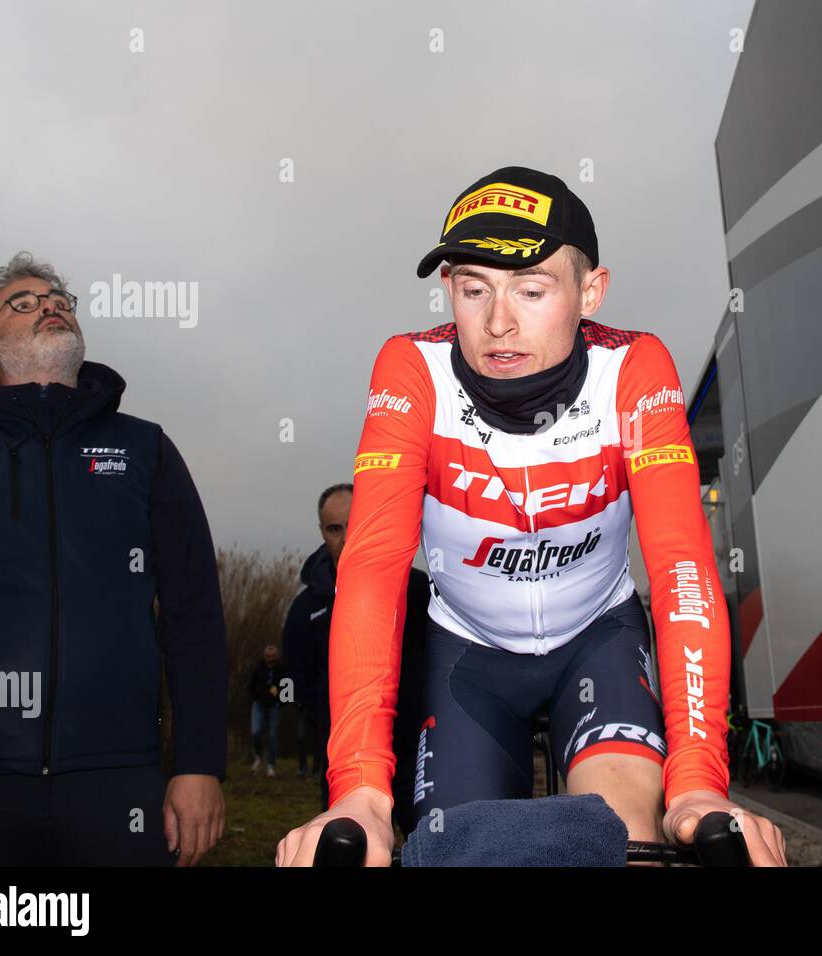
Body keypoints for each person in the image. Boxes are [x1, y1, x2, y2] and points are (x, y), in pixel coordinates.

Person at [277, 167, 786, 867]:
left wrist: (697, 784)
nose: (498, 322)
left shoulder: (634, 368)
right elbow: (371, 574)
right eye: (473, 287)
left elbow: (683, 570)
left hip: (596, 640)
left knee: (624, 841)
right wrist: (360, 790)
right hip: (468, 658)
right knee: (463, 853)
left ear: (590, 292)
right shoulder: (411, 371)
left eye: (532, 289)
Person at [0, 252, 227, 866]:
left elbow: (193, 614)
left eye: (60, 299)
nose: (50, 304)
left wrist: (200, 764)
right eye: (23, 302)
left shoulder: (144, 446)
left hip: (117, 777)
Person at [283, 482, 432, 812]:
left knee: (430, 845)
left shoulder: (417, 588)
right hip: (344, 761)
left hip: (414, 752)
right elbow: (296, 678)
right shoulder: (306, 609)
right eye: (335, 528)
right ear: (322, 531)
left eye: (353, 523)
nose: (346, 536)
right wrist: (326, 720)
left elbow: (437, 659)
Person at [249, 645, 285, 777]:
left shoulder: (282, 669)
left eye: (273, 656)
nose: (270, 659)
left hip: (274, 706)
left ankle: (271, 765)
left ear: (276, 656)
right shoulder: (258, 668)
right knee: (256, 732)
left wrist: (282, 702)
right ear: (264, 656)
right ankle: (258, 757)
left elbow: (288, 686)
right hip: (259, 705)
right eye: (268, 656)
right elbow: (251, 686)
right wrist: (254, 698)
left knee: (273, 736)